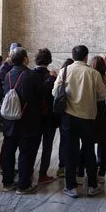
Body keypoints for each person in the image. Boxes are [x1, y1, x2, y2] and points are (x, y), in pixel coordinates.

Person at [52, 45, 106, 198]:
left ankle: (71, 187)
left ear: (73, 56)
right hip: (88, 117)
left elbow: (55, 92)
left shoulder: (65, 71)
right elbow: (102, 96)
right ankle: (92, 186)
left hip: (68, 117)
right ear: (86, 57)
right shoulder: (93, 73)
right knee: (89, 152)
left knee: (70, 152)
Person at [0, 48, 47, 193]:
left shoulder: (8, 74)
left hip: (10, 121)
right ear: (25, 59)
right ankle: (23, 185)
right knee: (26, 153)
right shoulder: (31, 75)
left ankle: (7, 182)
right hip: (28, 121)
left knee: (8, 152)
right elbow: (42, 94)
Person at [85, 56, 106, 182]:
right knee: (104, 144)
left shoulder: (89, 78)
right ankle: (102, 173)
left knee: (89, 144)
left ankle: (89, 171)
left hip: (91, 113)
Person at [34, 48, 59, 185]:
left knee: (32, 145)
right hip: (49, 117)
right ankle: (42, 174)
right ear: (49, 60)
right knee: (47, 146)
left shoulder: (29, 74)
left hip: (34, 117)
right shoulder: (52, 77)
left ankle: (28, 171)